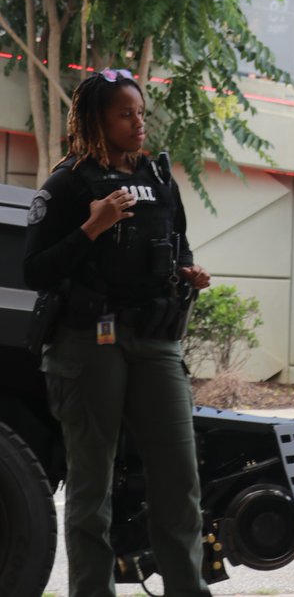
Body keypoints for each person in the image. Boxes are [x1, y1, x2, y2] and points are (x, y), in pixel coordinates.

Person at [24, 69, 213, 597]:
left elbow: (178, 243)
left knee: (179, 479)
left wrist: (187, 270)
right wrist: (93, 226)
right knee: (93, 488)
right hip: (88, 345)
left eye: (140, 112)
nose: (138, 123)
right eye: (125, 114)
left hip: (155, 342)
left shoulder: (157, 177)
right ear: (96, 121)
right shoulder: (67, 183)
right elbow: (34, 270)